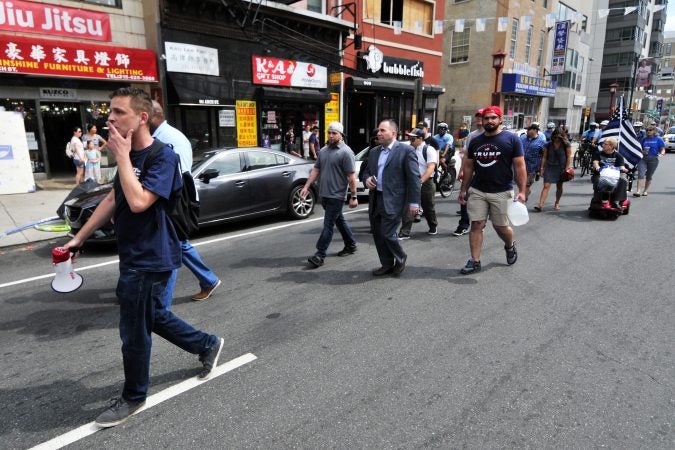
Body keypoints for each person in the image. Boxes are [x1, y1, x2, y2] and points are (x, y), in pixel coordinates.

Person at [63, 87, 223, 428]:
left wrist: (121, 157)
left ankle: (134, 395)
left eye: (119, 112)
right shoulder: (130, 158)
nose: (110, 118)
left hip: (153, 255)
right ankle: (208, 344)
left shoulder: (162, 157)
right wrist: (79, 238)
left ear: (142, 118)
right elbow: (113, 200)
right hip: (133, 252)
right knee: (153, 316)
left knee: (133, 331)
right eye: (110, 112)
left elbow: (139, 202)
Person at [150, 100, 221, 305]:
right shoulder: (160, 137)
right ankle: (208, 280)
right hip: (170, 201)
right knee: (177, 245)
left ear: (153, 115)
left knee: (170, 247)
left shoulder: (169, 139)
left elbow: (174, 177)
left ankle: (162, 305)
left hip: (176, 202)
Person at [457, 106, 526, 275]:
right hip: (478, 190)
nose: (489, 121)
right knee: (477, 225)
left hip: (502, 191)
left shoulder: (511, 139)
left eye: (493, 118)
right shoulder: (475, 140)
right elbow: (469, 166)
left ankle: (510, 245)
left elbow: (520, 166)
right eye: (486, 118)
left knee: (501, 227)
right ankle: (475, 261)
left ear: (500, 119)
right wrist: (463, 189)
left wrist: (522, 190)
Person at [363, 119, 421, 276]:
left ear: (393, 133)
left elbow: (414, 178)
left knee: (388, 232)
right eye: (378, 131)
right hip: (376, 198)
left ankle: (400, 256)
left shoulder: (406, 151)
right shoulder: (374, 152)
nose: (379, 133)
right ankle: (387, 264)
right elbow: (366, 171)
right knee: (377, 233)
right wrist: (367, 179)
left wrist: (415, 202)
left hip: (395, 200)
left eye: (383, 130)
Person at [301, 122, 358, 268]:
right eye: (329, 133)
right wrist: (306, 186)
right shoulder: (324, 150)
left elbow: (351, 177)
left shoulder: (346, 152)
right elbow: (316, 170)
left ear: (341, 134)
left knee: (328, 225)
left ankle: (320, 254)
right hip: (324, 194)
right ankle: (351, 244)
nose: (331, 135)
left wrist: (354, 196)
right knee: (339, 220)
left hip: (336, 195)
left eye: (334, 133)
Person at [398, 128, 438, 238]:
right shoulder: (408, 149)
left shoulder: (429, 150)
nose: (410, 140)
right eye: (409, 137)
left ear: (420, 138)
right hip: (411, 182)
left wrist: (420, 181)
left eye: (412, 138)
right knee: (409, 206)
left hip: (426, 182)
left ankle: (433, 225)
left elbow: (431, 167)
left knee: (428, 206)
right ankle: (405, 232)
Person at [453, 109, 484, 237]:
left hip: (487, 174)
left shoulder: (496, 135)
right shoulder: (472, 135)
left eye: (481, 117)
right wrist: (461, 171)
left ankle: (480, 223)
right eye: (477, 117)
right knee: (464, 197)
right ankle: (463, 225)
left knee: (481, 200)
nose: (479, 119)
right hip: (472, 172)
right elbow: (466, 155)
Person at [534, 127, 573, 212]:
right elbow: (544, 157)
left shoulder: (566, 144)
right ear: (553, 136)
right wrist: (542, 168)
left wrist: (566, 168)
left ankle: (557, 202)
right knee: (546, 186)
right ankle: (540, 205)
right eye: (555, 137)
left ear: (562, 137)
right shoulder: (547, 145)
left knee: (559, 186)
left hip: (561, 167)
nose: (556, 139)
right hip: (549, 166)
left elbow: (569, 157)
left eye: (558, 137)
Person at [591, 137, 629, 208]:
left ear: (611, 146)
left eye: (605, 144)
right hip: (600, 174)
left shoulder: (618, 156)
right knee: (597, 180)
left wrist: (624, 169)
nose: (603, 145)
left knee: (623, 180)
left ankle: (616, 200)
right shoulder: (598, 153)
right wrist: (597, 167)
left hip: (614, 175)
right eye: (603, 144)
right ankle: (597, 200)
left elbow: (622, 166)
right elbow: (595, 162)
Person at [634, 126, 666, 196]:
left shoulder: (658, 139)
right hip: (643, 159)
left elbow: (662, 148)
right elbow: (639, 149)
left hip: (653, 159)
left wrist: (662, 153)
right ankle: (638, 191)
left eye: (650, 130)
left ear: (654, 131)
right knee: (641, 174)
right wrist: (642, 151)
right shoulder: (644, 139)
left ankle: (645, 191)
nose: (648, 131)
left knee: (649, 176)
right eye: (647, 130)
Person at [520, 123, 547, 202]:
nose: (527, 132)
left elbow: (544, 155)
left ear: (535, 131)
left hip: (533, 166)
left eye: (529, 130)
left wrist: (542, 168)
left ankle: (523, 200)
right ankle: (527, 192)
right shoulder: (522, 138)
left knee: (527, 183)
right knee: (522, 183)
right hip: (522, 165)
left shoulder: (541, 142)